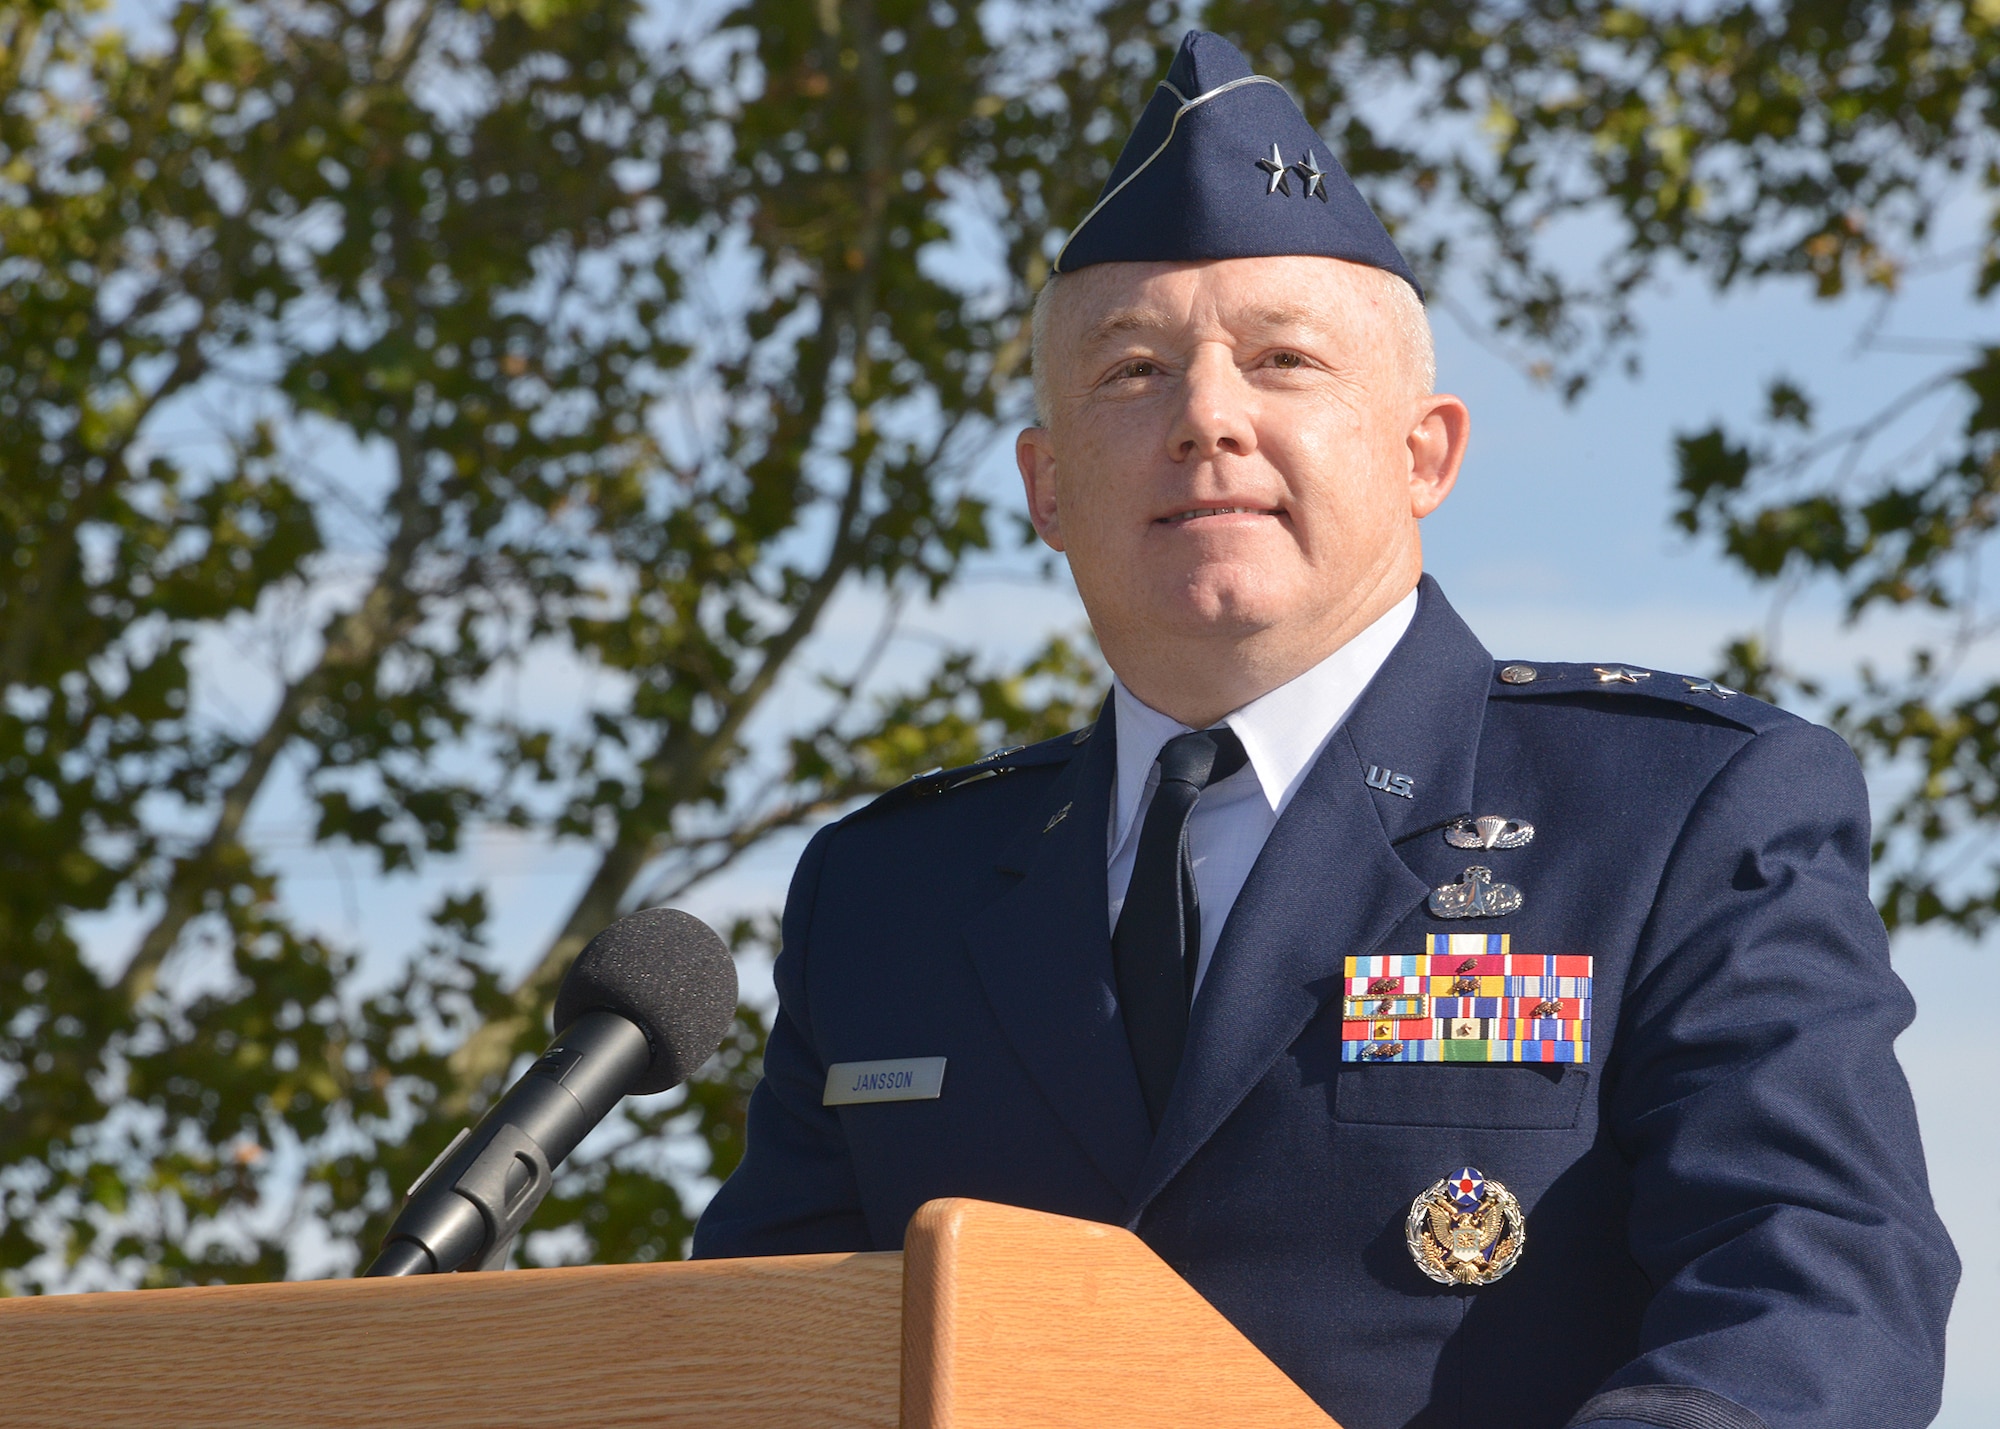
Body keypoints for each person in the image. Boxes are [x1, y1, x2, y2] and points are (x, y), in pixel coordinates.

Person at [692, 30, 1957, 1429]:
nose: (1206, 420)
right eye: (1131, 373)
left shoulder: (1675, 816)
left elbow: (1820, 1299)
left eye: (1283, 359)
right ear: (1045, 490)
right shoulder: (887, 898)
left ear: (1425, 453)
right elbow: (757, 1355)